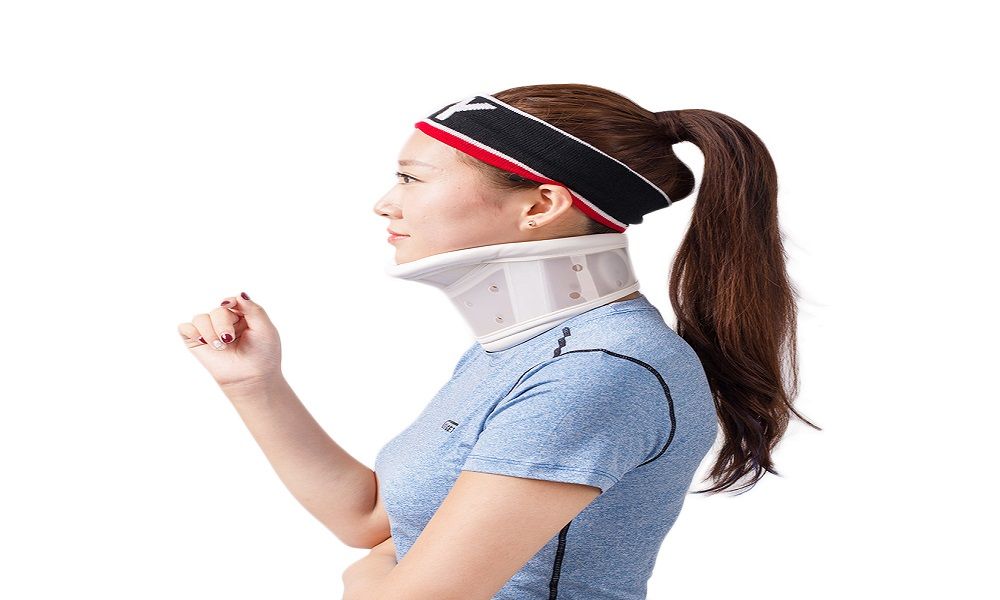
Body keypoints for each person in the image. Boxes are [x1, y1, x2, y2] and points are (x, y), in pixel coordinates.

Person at [177, 83, 817, 600]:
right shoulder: (528, 350)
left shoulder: (598, 370)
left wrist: (366, 579)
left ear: (540, 205)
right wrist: (254, 383)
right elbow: (372, 517)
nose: (385, 203)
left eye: (412, 179)